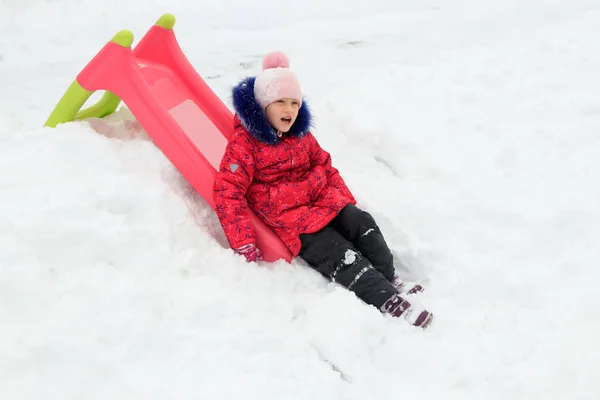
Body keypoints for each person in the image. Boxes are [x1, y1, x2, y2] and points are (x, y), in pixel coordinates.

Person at [213, 51, 433, 329]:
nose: (289, 110)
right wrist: (242, 240)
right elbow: (228, 190)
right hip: (294, 220)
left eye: (294, 103)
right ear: (262, 105)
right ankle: (386, 298)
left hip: (323, 202)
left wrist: (346, 204)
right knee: (338, 251)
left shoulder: (301, 136)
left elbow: (325, 165)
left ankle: (389, 276)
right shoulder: (244, 144)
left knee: (362, 222)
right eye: (280, 102)